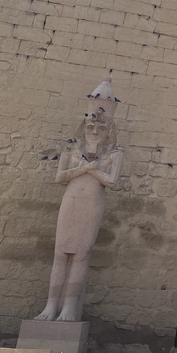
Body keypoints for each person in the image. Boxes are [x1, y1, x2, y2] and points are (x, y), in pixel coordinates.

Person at [36, 77, 124, 323]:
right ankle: (50, 306)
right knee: (60, 254)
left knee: (81, 255)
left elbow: (111, 181)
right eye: (90, 127)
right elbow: (60, 177)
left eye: (101, 129)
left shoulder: (114, 153)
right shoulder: (71, 150)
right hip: (71, 201)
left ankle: (69, 308)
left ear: (109, 131)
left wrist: (92, 170)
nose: (94, 132)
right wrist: (83, 169)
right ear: (83, 127)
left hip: (91, 205)